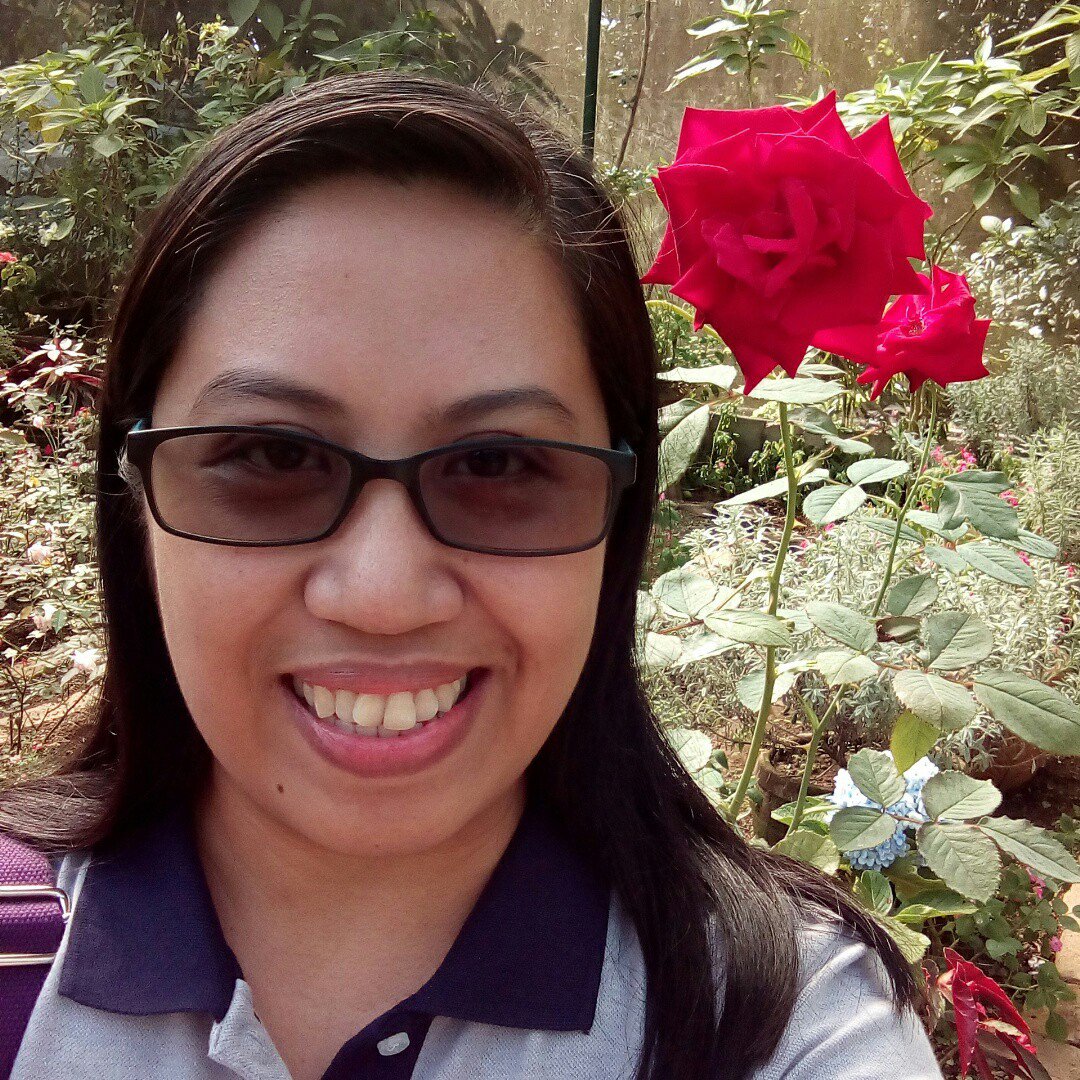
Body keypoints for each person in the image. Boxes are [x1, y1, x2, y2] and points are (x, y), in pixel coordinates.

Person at [0, 71, 944, 1080]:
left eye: (497, 466)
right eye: (272, 456)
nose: (382, 596)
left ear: (621, 521)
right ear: (133, 495)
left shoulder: (790, 1028)